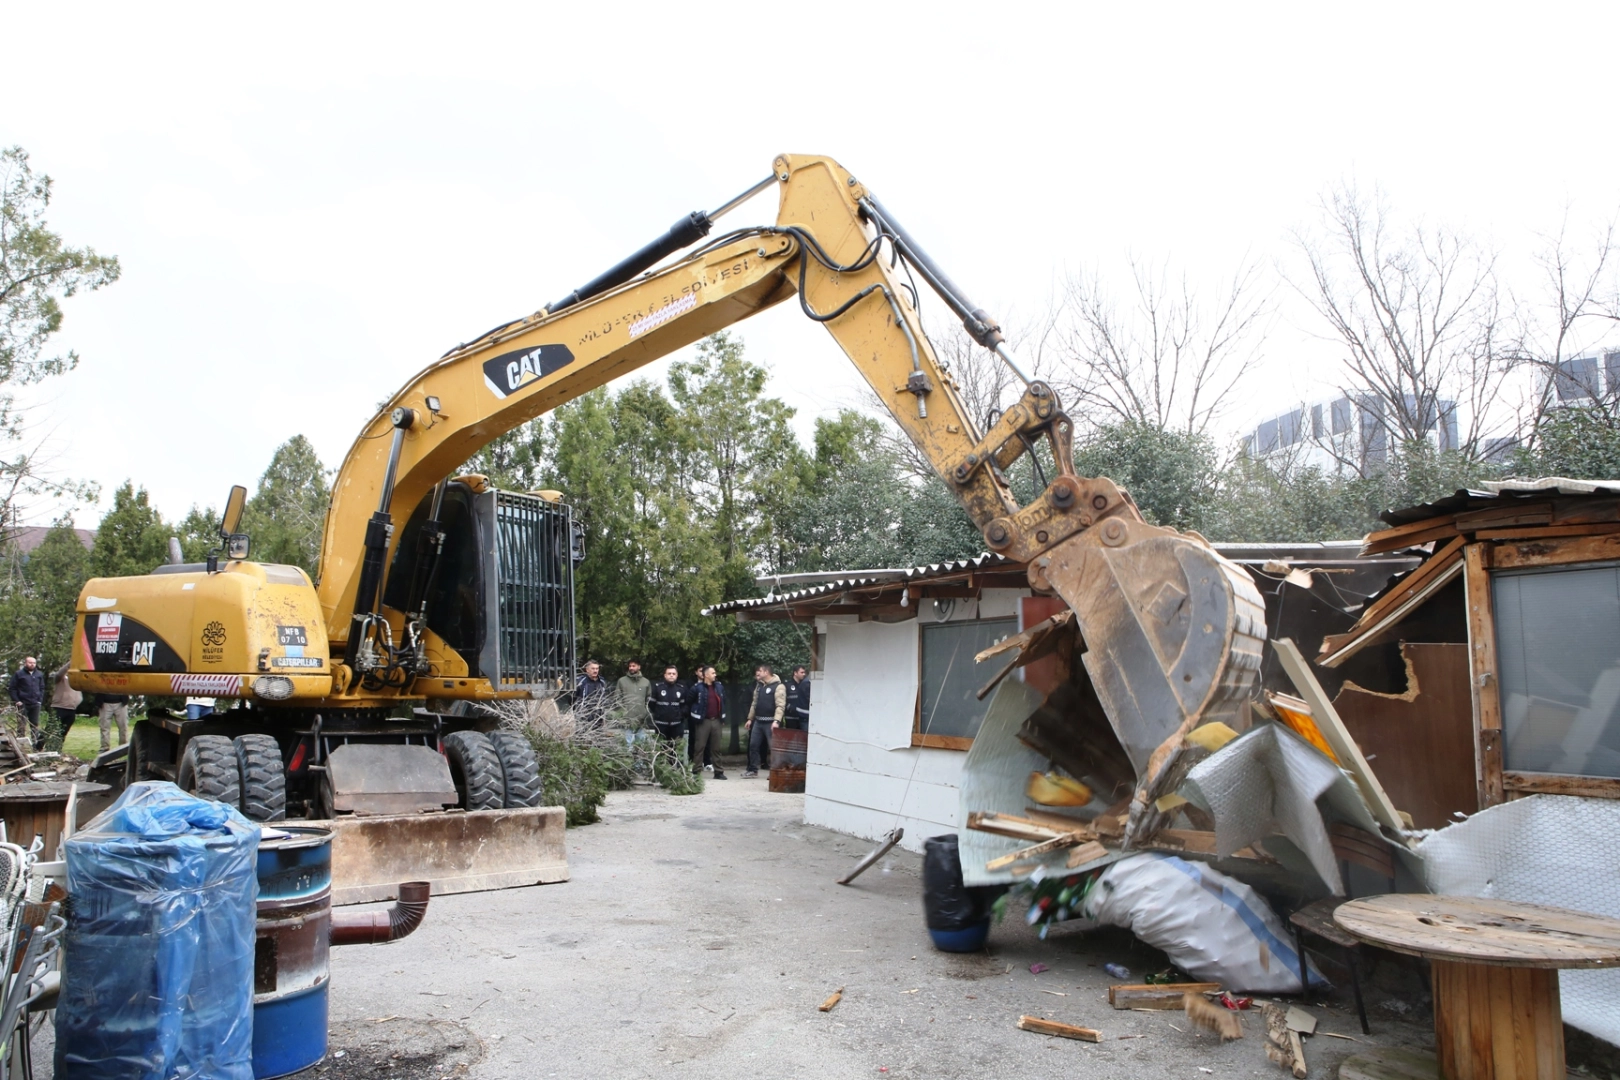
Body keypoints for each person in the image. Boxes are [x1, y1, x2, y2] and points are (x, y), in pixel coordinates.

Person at [744, 663, 786, 778]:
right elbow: (754, 703)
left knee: (773, 747)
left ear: (766, 672)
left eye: (760, 671)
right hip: (758, 721)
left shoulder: (778, 686)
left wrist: (776, 721)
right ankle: (753, 770)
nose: (758, 673)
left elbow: (780, 706)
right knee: (753, 745)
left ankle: (775, 772)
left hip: (770, 722)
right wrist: (750, 719)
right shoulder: (759, 686)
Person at [687, 665, 727, 779]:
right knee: (699, 747)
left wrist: (722, 718)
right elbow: (689, 701)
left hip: (717, 721)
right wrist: (696, 715)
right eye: (713, 673)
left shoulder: (719, 687)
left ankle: (719, 772)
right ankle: (696, 771)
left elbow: (724, 701)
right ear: (706, 675)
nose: (715, 675)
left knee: (716, 748)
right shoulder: (697, 688)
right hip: (703, 721)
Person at [7, 656, 45, 746]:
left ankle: (35, 745)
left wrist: (40, 700)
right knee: (21, 725)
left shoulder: (39, 674)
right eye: (30, 662)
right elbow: (12, 688)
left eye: (34, 663)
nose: (32, 664)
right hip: (22, 703)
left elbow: (42, 688)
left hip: (35, 704)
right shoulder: (19, 674)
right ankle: (21, 745)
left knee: (34, 725)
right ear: (25, 663)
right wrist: (17, 700)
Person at [647, 666, 688, 743]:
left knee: (675, 749)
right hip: (661, 725)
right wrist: (659, 713)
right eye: (669, 673)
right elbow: (651, 704)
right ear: (665, 675)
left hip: (676, 725)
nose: (671, 675)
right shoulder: (658, 687)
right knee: (661, 748)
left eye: (673, 673)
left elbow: (684, 705)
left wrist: (680, 715)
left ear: (677, 675)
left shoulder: (681, 688)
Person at [48, 662, 81, 753]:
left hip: (71, 709)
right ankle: (38, 746)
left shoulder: (76, 681)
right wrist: (71, 662)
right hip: (59, 707)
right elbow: (59, 673)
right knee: (50, 729)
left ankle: (57, 749)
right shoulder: (60, 679)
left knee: (64, 732)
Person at [615, 661, 651, 726]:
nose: (631, 668)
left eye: (634, 666)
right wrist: (622, 712)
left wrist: (645, 713)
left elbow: (649, 699)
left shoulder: (646, 682)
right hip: (626, 719)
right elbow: (617, 698)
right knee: (628, 736)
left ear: (639, 667)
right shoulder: (622, 681)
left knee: (641, 736)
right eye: (630, 666)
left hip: (641, 719)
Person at [575, 660, 610, 725]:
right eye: (593, 668)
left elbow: (605, 697)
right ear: (587, 670)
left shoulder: (602, 682)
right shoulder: (580, 681)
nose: (595, 671)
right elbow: (572, 698)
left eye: (597, 668)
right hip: (583, 715)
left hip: (598, 716)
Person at [784, 665, 811, 730]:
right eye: (801, 672)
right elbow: (782, 699)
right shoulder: (787, 685)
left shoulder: (806, 685)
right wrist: (790, 707)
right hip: (791, 717)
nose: (804, 674)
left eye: (804, 672)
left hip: (802, 717)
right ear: (795, 673)